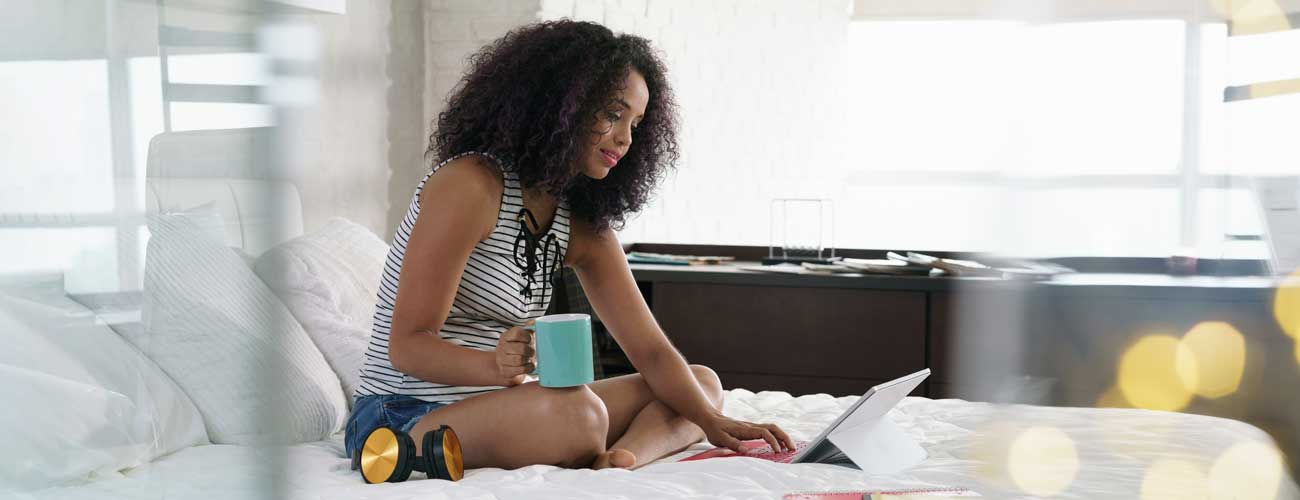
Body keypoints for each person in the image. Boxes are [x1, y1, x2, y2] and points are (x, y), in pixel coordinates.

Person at [345, 20, 795, 471]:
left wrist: (713, 422)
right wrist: (494, 368)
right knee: (578, 413)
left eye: (635, 123)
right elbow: (406, 345)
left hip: (507, 407)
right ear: (560, 105)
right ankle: (583, 441)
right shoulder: (470, 186)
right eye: (612, 114)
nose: (625, 138)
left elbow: (652, 352)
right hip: (402, 416)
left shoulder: (578, 222)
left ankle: (622, 460)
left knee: (701, 385)